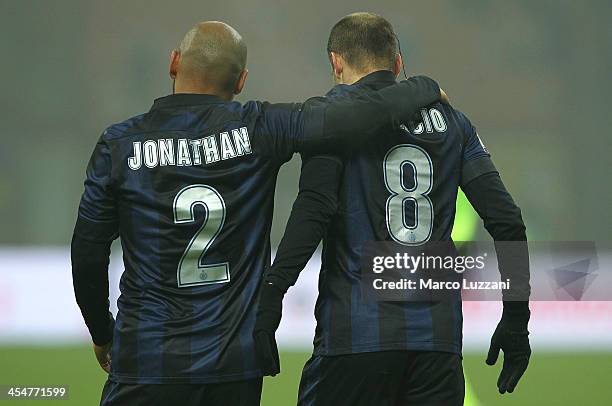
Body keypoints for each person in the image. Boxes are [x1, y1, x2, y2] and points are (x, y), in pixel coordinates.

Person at [70, 20, 445, 406]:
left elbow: (87, 253)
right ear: (241, 81)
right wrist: (423, 87)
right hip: (234, 366)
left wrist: (102, 332)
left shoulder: (119, 145)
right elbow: (349, 119)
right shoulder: (260, 128)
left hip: (146, 358)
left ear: (174, 63)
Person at [254, 12, 531, 406]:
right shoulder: (453, 122)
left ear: (336, 62)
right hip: (437, 344)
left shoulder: (331, 121)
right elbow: (507, 221)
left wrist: (272, 291)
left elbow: (313, 211)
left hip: (355, 336)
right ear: (398, 63)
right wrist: (517, 319)